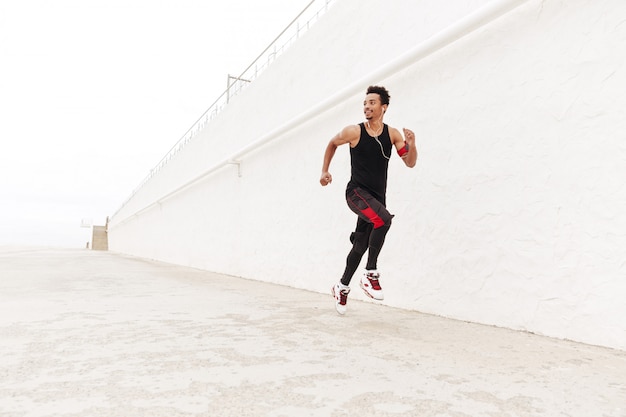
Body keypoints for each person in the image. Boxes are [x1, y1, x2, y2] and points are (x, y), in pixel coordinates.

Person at [320, 85, 418, 315]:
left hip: (376, 198)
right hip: (356, 193)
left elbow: (410, 162)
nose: (367, 107)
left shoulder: (392, 134)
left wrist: (412, 145)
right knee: (384, 220)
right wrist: (325, 171)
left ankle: (341, 286)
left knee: (361, 244)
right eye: (365, 103)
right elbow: (332, 143)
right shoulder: (354, 131)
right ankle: (370, 273)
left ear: (383, 107)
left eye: (372, 103)